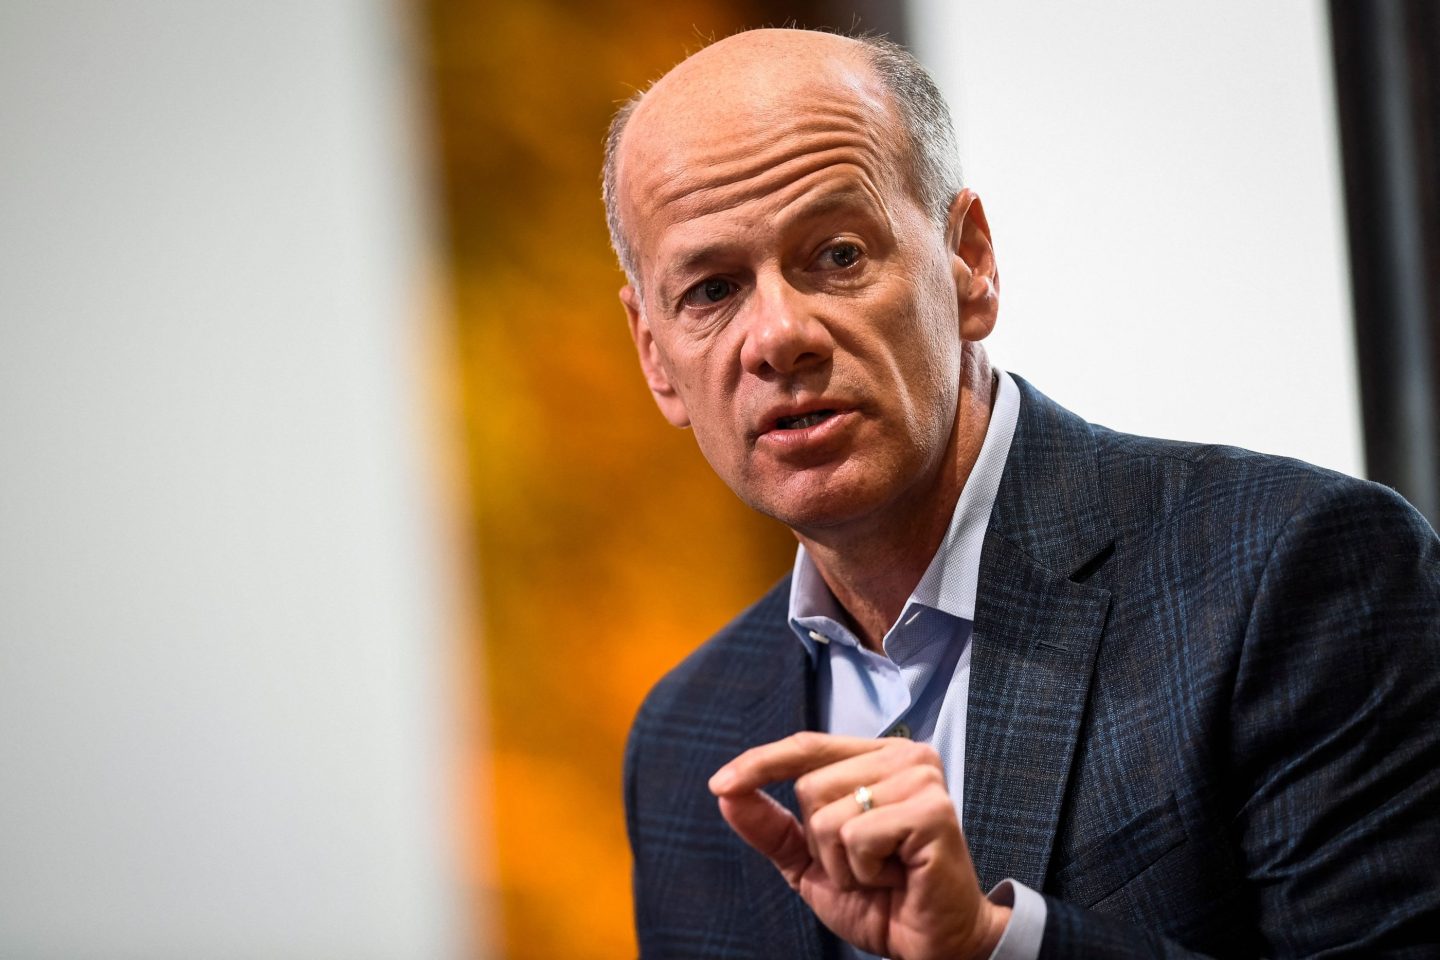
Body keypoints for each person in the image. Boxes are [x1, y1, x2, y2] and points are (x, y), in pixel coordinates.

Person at [603, 27, 1440, 960]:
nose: (778, 336)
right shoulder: (683, 744)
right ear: (656, 357)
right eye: (713, 288)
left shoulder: (1297, 575)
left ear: (970, 264)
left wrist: (997, 943)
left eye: (837, 255)